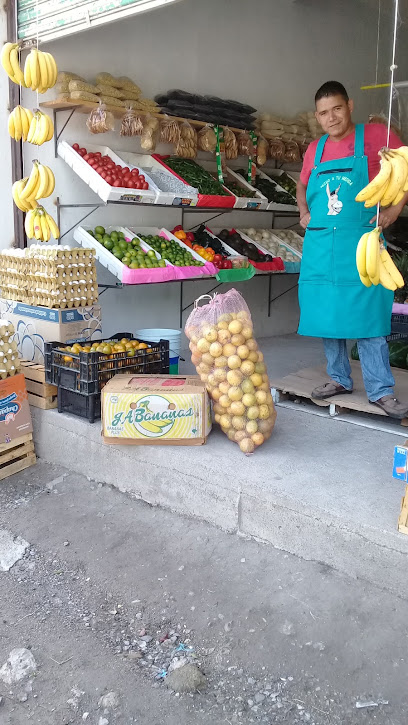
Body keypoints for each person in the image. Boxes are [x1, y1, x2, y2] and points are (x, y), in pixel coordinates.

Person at [296, 80, 408, 419]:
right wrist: (302, 212)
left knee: (368, 317)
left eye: (337, 109)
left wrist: (394, 210)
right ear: (317, 116)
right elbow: (302, 186)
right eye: (324, 113)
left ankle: (380, 390)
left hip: (361, 244)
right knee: (328, 317)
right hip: (319, 246)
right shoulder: (315, 149)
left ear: (350, 106)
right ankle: (339, 379)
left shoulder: (376, 136)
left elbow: (403, 172)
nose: (332, 118)